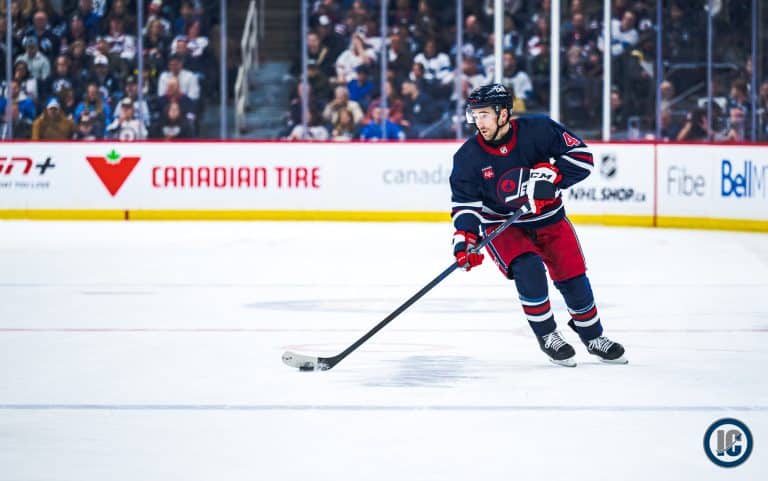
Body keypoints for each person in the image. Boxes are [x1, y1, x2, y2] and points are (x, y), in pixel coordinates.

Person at [450, 83, 627, 367]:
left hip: (550, 219)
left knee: (573, 277)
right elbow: (465, 205)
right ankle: (547, 335)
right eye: (475, 115)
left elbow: (582, 158)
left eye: (485, 115)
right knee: (528, 268)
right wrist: (465, 241)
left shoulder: (539, 129)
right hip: (504, 226)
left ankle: (593, 336)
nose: (479, 122)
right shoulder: (467, 157)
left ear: (504, 113)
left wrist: (553, 177)